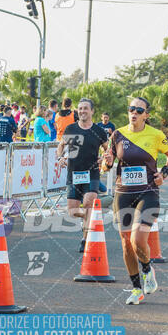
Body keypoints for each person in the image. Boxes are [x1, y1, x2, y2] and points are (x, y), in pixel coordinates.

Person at [102, 97, 168, 305]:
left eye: (138, 110)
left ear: (146, 115)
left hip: (148, 192)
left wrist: (164, 174)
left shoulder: (155, 135)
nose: (133, 112)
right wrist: (107, 164)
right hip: (123, 192)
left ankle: (147, 267)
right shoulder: (117, 134)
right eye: (131, 109)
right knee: (126, 243)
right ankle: (137, 289)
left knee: (137, 239)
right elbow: (107, 165)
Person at [57, 98, 108, 253]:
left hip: (91, 173)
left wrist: (104, 157)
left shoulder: (99, 131)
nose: (82, 111)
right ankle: (89, 218)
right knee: (72, 211)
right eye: (80, 108)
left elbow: (108, 150)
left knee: (88, 203)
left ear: (92, 111)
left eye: (86, 108)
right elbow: (61, 146)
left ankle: (85, 239)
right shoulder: (71, 129)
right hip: (73, 173)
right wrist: (60, 158)